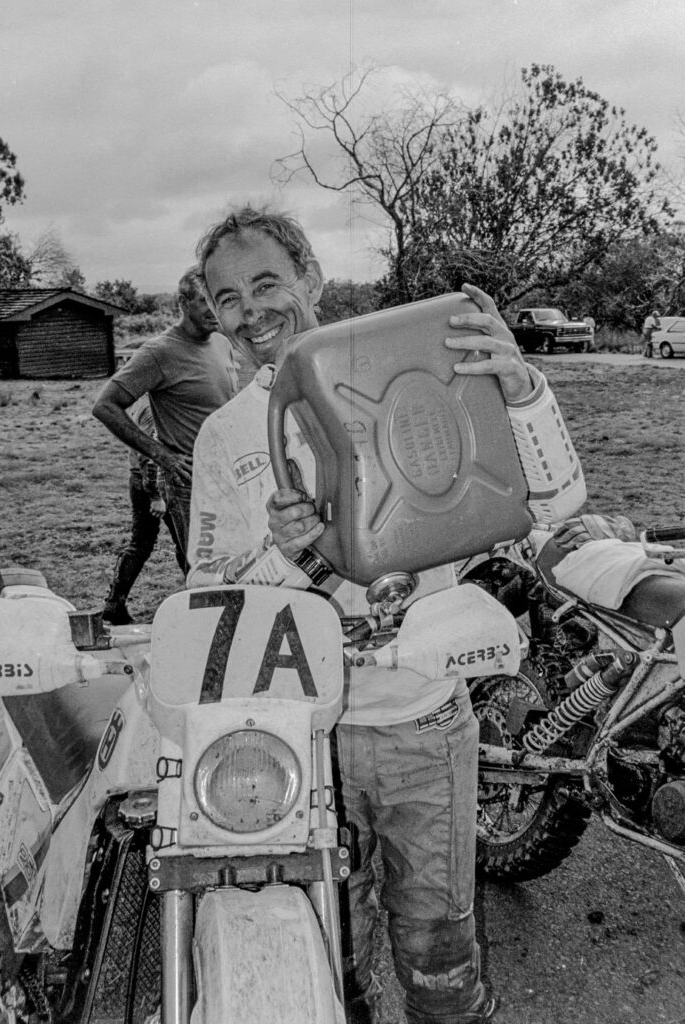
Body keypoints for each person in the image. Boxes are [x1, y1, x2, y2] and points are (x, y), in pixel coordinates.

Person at [186, 205, 586, 1024]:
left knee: (438, 953)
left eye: (267, 283)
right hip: (297, 733)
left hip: (422, 723)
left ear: (311, 281)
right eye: (227, 298)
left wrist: (523, 390)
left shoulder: (411, 368)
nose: (251, 310)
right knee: (329, 953)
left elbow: (556, 500)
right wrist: (284, 552)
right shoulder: (226, 437)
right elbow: (206, 597)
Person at [92, 266, 237, 575]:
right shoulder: (159, 352)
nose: (214, 308)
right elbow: (105, 406)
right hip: (189, 482)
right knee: (203, 572)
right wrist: (163, 456)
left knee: (235, 563)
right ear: (182, 303)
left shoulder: (222, 343)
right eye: (202, 300)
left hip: (229, 476)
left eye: (218, 298)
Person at [101, 394, 186, 624]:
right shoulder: (153, 407)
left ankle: (114, 604)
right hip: (156, 481)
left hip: (144, 479)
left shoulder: (146, 401)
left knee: (143, 543)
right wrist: (156, 496)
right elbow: (149, 452)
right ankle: (197, 598)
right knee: (183, 542)